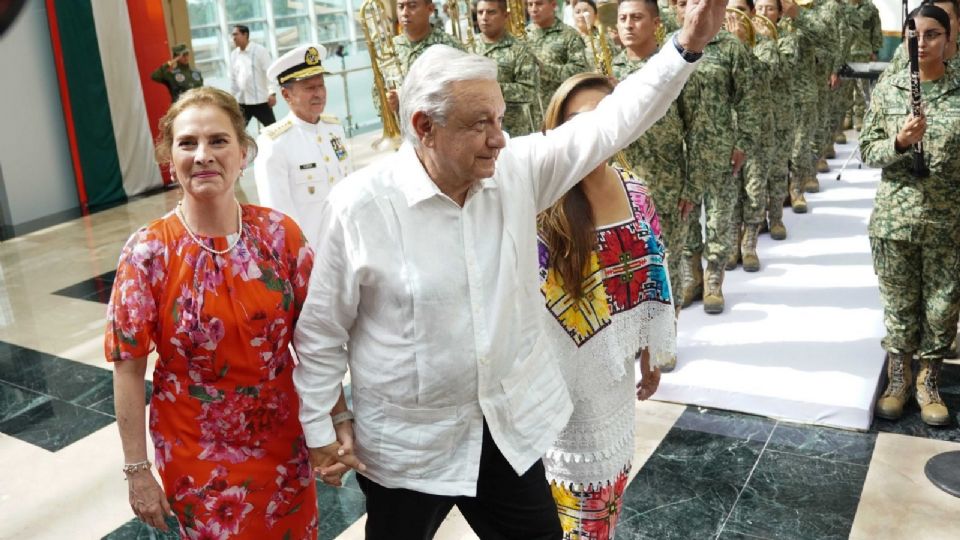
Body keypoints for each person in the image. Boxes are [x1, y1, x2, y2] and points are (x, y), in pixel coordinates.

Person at [291, 1, 728, 537]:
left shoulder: (514, 171)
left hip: (503, 431)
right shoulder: (360, 206)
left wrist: (686, 46)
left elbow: (611, 124)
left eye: (500, 119)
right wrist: (322, 424)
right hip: (407, 449)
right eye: (481, 124)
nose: (500, 137)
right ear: (425, 126)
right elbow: (321, 332)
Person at [106, 87, 353, 537]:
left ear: (243, 152)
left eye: (218, 141)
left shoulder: (280, 236)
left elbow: (314, 340)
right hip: (192, 447)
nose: (203, 155)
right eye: (187, 143)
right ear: (169, 156)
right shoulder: (148, 252)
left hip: (282, 435)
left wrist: (334, 420)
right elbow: (127, 367)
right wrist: (137, 470)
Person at [537, 72, 672, 539]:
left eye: (605, 117)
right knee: (563, 508)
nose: (593, 131)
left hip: (613, 383)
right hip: (552, 394)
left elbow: (656, 268)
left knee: (602, 503)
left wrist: (652, 349)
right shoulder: (540, 203)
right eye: (578, 120)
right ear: (556, 128)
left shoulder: (634, 188)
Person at [860, 4, 960, 427]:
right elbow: (867, 151)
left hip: (948, 220)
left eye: (933, 34)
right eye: (914, 34)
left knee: (941, 308)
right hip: (896, 219)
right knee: (900, 306)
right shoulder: (890, 87)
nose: (923, 43)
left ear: (949, 38)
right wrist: (899, 143)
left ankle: (929, 381)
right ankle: (898, 379)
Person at [613, 0, 694, 370]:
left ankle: (663, 340)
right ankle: (633, 337)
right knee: (625, 263)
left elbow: (700, 129)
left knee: (665, 263)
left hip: (666, 182)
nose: (629, 25)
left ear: (656, 22)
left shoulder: (674, 67)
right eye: (623, 18)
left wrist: (693, 186)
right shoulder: (606, 70)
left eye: (637, 17)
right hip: (617, 187)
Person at [673, 0, 758, 314]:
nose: (687, 9)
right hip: (680, 149)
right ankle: (690, 275)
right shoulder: (669, 46)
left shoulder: (729, 47)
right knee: (685, 216)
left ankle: (713, 281)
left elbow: (748, 96)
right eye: (680, 3)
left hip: (720, 147)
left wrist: (744, 140)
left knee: (720, 216)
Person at [254, 44, 353, 247]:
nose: (319, 93)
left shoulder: (334, 129)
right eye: (309, 88)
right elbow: (277, 215)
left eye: (321, 85)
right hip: (312, 254)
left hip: (349, 245)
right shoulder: (274, 143)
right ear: (286, 95)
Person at [379, 0, 464, 116]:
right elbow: (378, 93)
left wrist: (406, 98)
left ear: (430, 9)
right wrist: (389, 102)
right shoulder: (389, 49)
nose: (405, 13)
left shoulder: (450, 45)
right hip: (403, 129)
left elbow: (464, 92)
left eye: (412, 6)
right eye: (400, 7)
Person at [476, 0, 543, 136]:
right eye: (480, 12)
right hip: (478, 131)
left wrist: (491, 88)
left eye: (491, 12)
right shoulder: (469, 47)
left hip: (512, 132)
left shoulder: (519, 50)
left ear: (505, 16)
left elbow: (529, 91)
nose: (484, 17)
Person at [527, 0, 590, 113]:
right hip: (528, 114)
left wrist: (543, 69)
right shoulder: (523, 35)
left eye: (539, 4)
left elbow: (580, 72)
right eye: (530, 4)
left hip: (558, 109)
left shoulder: (569, 35)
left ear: (553, 5)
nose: (533, 9)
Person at [230, 25, 277, 127]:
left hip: (261, 100)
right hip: (242, 102)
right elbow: (234, 79)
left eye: (236, 34)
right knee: (237, 130)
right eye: (232, 35)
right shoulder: (234, 55)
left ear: (245, 34)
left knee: (273, 129)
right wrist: (231, 97)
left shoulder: (260, 51)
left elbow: (270, 73)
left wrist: (272, 93)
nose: (233, 38)